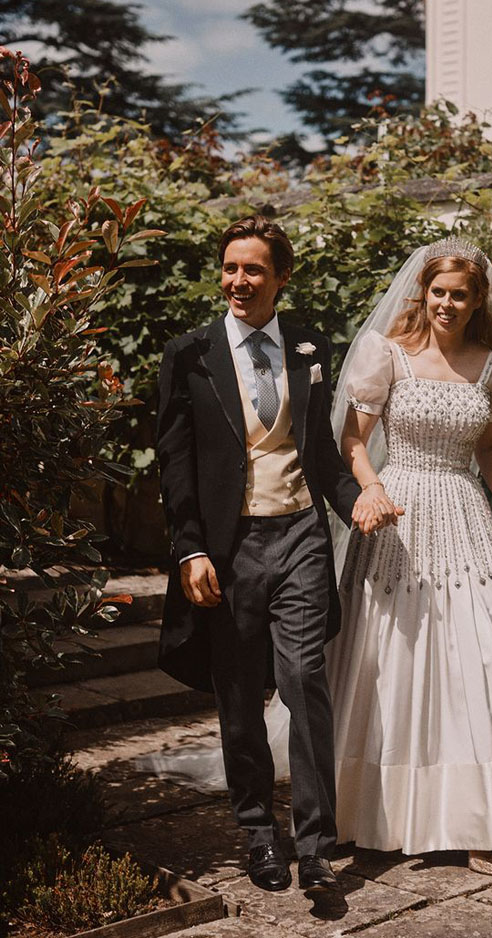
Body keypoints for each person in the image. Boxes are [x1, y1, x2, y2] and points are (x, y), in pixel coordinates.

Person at [155, 215, 389, 895]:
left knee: (305, 681)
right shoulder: (189, 354)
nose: (238, 280)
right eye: (230, 267)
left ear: (281, 277)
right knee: (238, 695)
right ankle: (259, 834)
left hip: (300, 537)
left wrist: (359, 502)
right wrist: (190, 549)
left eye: (253, 269)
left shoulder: (311, 347)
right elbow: (174, 462)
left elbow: (320, 455)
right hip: (229, 550)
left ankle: (315, 847)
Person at [324, 236, 492, 873]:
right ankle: (359, 811)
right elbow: (352, 442)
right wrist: (371, 489)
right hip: (397, 514)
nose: (447, 304)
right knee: (388, 658)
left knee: (478, 654)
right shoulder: (387, 354)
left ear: (478, 299)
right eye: (438, 292)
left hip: (462, 513)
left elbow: (487, 446)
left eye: (460, 294)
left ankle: (485, 819)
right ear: (422, 293)